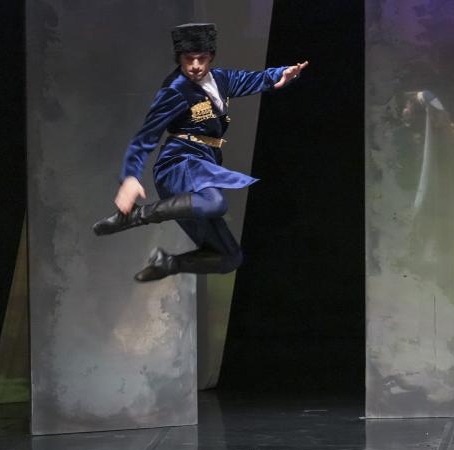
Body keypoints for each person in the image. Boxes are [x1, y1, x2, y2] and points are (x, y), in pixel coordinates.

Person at [92, 23, 308, 281]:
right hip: (179, 163)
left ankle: (168, 263)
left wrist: (281, 74)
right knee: (215, 202)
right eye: (188, 59)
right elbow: (146, 136)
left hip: (202, 166)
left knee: (230, 258)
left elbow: (254, 79)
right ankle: (135, 217)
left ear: (210, 57)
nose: (195, 65)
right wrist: (130, 177)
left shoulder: (221, 79)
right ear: (179, 58)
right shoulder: (176, 89)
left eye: (201, 58)